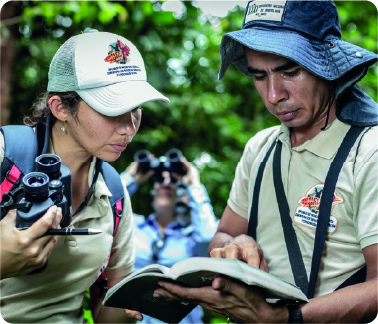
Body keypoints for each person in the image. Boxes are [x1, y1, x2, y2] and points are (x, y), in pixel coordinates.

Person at [146, 1, 378, 323]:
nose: (273, 95)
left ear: (328, 66)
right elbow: (224, 234)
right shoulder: (261, 147)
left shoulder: (368, 151)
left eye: (290, 71)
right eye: (259, 76)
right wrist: (235, 245)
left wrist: (284, 319)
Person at [0, 29, 169, 323]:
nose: (129, 127)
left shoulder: (114, 194)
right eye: (113, 108)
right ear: (61, 107)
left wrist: (133, 301)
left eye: (136, 109)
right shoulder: (6, 159)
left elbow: (106, 311)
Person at [120, 153, 219, 324]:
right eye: (159, 179)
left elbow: (209, 236)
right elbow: (104, 209)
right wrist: (131, 177)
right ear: (153, 189)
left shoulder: (192, 237)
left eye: (173, 181)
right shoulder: (133, 227)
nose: (166, 184)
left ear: (182, 193)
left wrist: (194, 184)